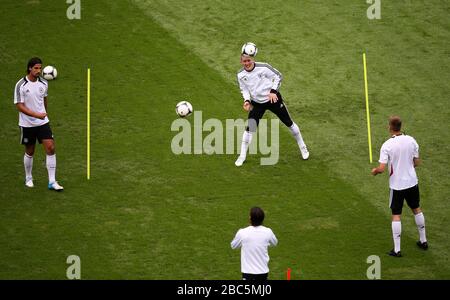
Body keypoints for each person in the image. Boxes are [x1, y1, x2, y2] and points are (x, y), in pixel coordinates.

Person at [235, 47, 309, 167]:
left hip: (272, 99)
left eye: (249, 60)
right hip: (257, 103)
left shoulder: (264, 67)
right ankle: (242, 156)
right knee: (250, 129)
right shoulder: (240, 75)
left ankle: (302, 146)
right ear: (241, 62)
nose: (247, 63)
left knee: (288, 122)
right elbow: (244, 89)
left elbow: (278, 76)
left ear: (252, 59)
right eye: (244, 61)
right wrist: (247, 101)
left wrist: (273, 91)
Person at [371, 116, 428, 257]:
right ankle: (423, 240)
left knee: (396, 214)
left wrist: (375, 171)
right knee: (416, 208)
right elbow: (416, 162)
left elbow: (382, 168)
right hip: (412, 182)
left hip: (397, 185)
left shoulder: (387, 145)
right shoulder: (411, 140)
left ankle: (397, 250)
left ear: (390, 127)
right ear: (400, 126)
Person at [14, 57, 64, 191]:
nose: (38, 71)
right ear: (30, 68)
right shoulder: (21, 85)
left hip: (42, 122)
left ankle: (52, 181)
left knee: (51, 148)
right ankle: (29, 177)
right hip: (27, 124)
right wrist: (36, 115)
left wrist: (44, 114)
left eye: (40, 68)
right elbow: (19, 106)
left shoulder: (43, 83)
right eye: (36, 68)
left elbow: (44, 100)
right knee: (30, 151)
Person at [231, 207, 278, 280]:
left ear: (250, 218)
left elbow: (233, 246)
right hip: (263, 272)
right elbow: (274, 243)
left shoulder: (242, 232)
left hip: (248, 273)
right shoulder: (268, 232)